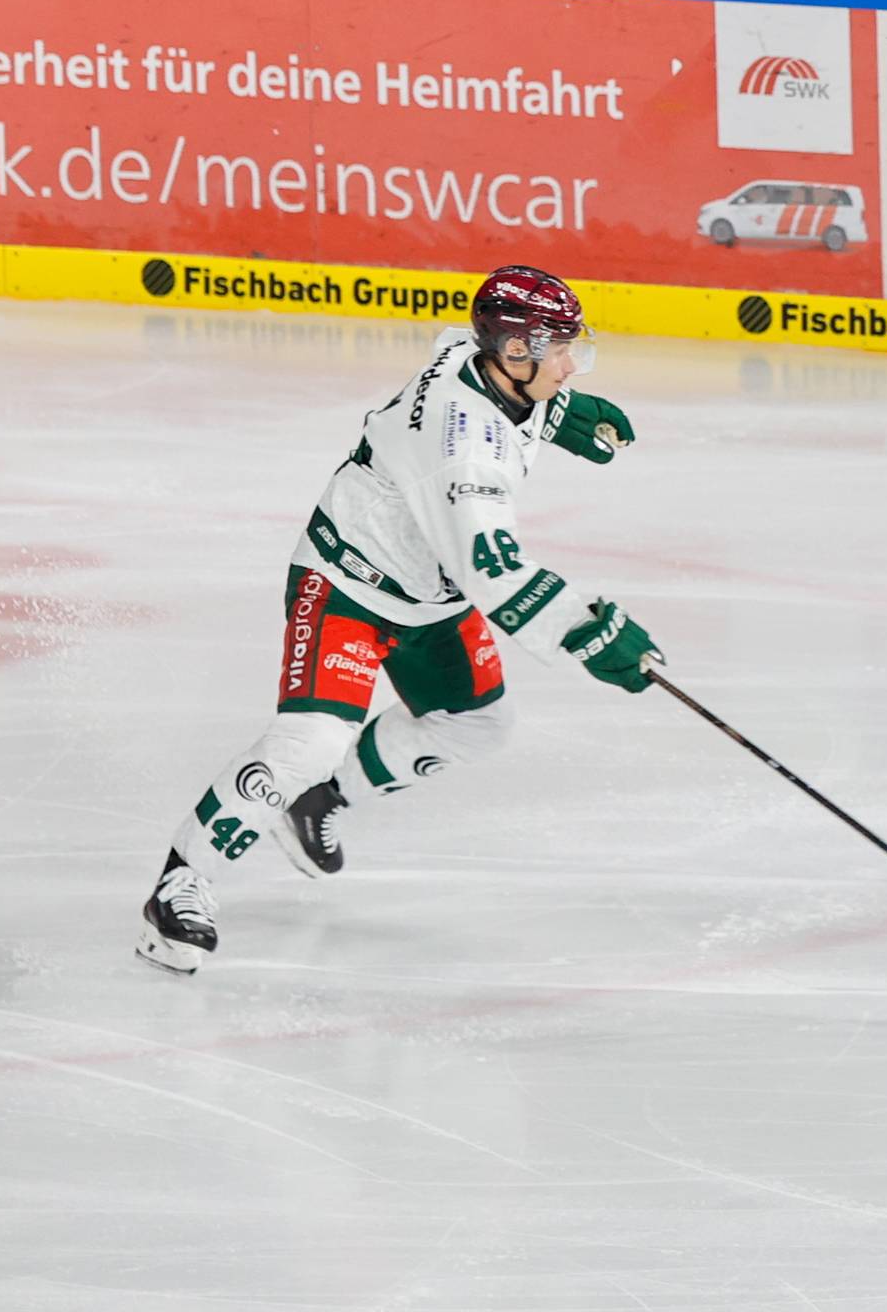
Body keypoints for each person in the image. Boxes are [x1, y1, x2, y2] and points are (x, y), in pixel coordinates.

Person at [137, 266, 662, 974]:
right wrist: (591, 632)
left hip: (428, 598)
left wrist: (560, 413)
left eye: (573, 346)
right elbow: (497, 574)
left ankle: (319, 803)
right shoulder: (462, 451)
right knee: (310, 740)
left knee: (478, 723)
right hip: (348, 586)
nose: (570, 363)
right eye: (558, 349)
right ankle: (181, 883)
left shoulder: (471, 355)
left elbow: (469, 349)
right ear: (513, 352)